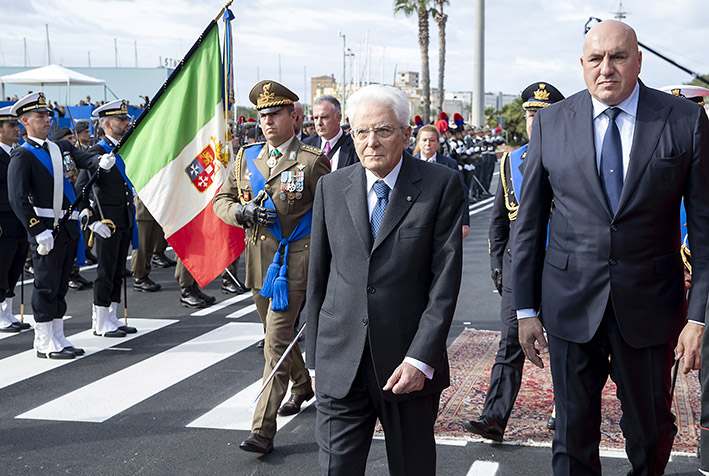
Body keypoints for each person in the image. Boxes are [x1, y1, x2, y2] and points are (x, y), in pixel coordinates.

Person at [511, 20, 709, 475]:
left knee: (651, 430)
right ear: (582, 66)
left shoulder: (683, 120)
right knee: (572, 436)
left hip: (650, 307)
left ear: (639, 61)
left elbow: (703, 228)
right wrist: (523, 310)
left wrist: (697, 318)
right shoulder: (552, 122)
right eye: (596, 59)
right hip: (568, 304)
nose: (607, 68)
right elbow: (528, 223)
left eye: (618, 57)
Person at [304, 84, 464, 475]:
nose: (370, 142)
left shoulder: (439, 185)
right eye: (361, 132)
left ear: (406, 134)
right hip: (340, 362)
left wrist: (420, 358)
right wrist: (314, 360)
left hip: (405, 367)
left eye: (383, 130)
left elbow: (444, 284)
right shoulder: (331, 186)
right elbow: (319, 277)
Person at [213, 80, 329, 454]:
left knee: (275, 342)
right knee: (275, 335)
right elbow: (222, 201)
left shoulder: (312, 162)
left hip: (295, 263)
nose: (267, 122)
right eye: (262, 115)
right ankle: (303, 385)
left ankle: (262, 429)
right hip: (260, 264)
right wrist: (241, 212)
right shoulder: (246, 158)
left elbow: (330, 215)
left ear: (293, 117)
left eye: (275, 114)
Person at [461, 81, 564, 442]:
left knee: (566, 342)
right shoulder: (510, 160)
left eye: (543, 113)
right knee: (510, 342)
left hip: (563, 266)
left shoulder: (572, 155)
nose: (535, 120)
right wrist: (496, 261)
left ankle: (565, 412)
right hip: (519, 267)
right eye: (531, 114)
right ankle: (495, 417)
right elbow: (499, 220)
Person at [8, 92, 115, 359]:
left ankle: (58, 335)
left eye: (47, 115)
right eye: (40, 116)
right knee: (45, 284)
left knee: (60, 285)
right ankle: (43, 341)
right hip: (45, 227)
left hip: (67, 226)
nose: (46, 119)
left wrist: (100, 162)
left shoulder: (59, 147)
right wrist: (36, 230)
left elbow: (83, 159)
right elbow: (17, 199)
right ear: (25, 121)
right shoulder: (23, 156)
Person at [82, 99, 139, 337]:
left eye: (126, 118)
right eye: (121, 119)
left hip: (123, 218)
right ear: (106, 123)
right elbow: (81, 189)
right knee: (105, 272)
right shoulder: (96, 153)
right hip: (107, 222)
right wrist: (92, 221)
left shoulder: (121, 150)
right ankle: (100, 320)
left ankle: (112, 316)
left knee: (117, 271)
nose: (126, 123)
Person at [0, 106, 31, 332]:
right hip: (2, 222)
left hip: (19, 219)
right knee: (1, 268)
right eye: (11, 126)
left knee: (15, 266)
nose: (16, 129)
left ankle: (8, 313)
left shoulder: (17, 153)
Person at [413, 124, 470, 238]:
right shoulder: (410, 164)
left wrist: (464, 222)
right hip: (416, 221)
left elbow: (461, 192)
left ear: (438, 142)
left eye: (432, 140)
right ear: (418, 142)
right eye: (424, 140)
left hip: (443, 220)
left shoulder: (449, 164)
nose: (428, 144)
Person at [303, 95, 359, 171]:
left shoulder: (354, 146)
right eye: (316, 118)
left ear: (338, 118)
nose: (319, 123)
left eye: (324, 117)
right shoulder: (306, 146)